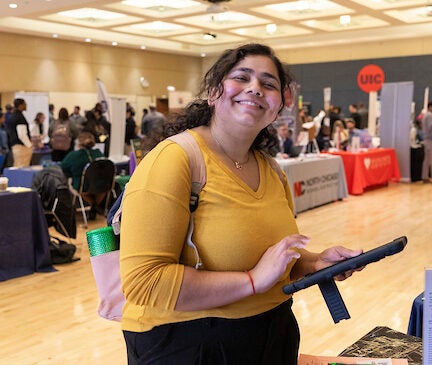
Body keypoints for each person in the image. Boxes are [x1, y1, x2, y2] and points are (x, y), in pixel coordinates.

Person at [119, 43, 362, 364]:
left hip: (269, 335)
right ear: (214, 92)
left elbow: (269, 261)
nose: (255, 88)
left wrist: (314, 263)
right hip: (189, 344)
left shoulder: (271, 169)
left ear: (279, 105)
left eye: (269, 83)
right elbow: (144, 282)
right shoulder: (174, 160)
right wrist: (252, 281)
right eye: (242, 77)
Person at [60, 131, 105, 219]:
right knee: (99, 189)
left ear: (78, 142)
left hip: (82, 186)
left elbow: (63, 167)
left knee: (80, 185)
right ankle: (95, 206)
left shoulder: (73, 155)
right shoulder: (98, 153)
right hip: (101, 185)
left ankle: (94, 206)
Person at [6, 98, 33, 167]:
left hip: (14, 145)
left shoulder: (12, 117)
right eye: (25, 104)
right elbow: (22, 135)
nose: (26, 105)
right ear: (20, 105)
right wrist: (29, 145)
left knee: (17, 166)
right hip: (21, 147)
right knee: (22, 167)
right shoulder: (19, 117)